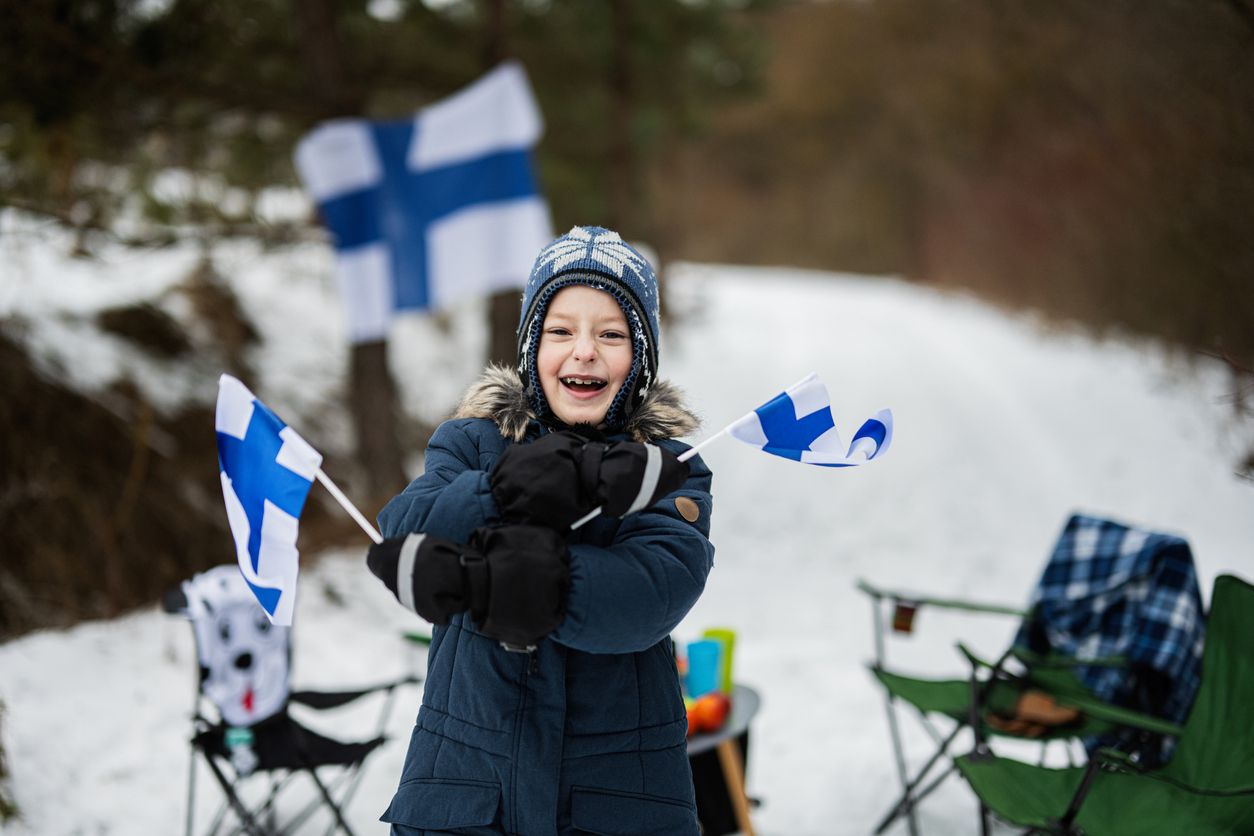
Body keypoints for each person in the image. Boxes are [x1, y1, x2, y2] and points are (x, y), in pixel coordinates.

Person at [365, 225, 715, 835]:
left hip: (617, 798)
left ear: (640, 357)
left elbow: (654, 590)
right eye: (561, 331)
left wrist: (517, 585)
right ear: (531, 348)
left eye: (611, 334)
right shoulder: (471, 441)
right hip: (467, 794)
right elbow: (407, 531)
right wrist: (500, 488)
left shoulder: (664, 468)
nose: (584, 351)